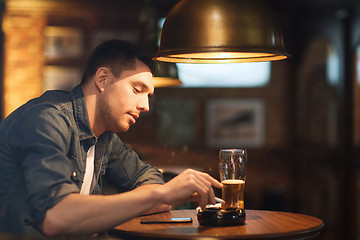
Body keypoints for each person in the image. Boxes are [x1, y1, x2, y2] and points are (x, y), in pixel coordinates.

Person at [0, 39, 222, 238]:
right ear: (103, 79)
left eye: (148, 96)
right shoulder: (47, 120)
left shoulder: (105, 136)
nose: (145, 106)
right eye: (137, 89)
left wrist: (160, 194)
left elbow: (149, 180)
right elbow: (55, 217)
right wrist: (162, 193)